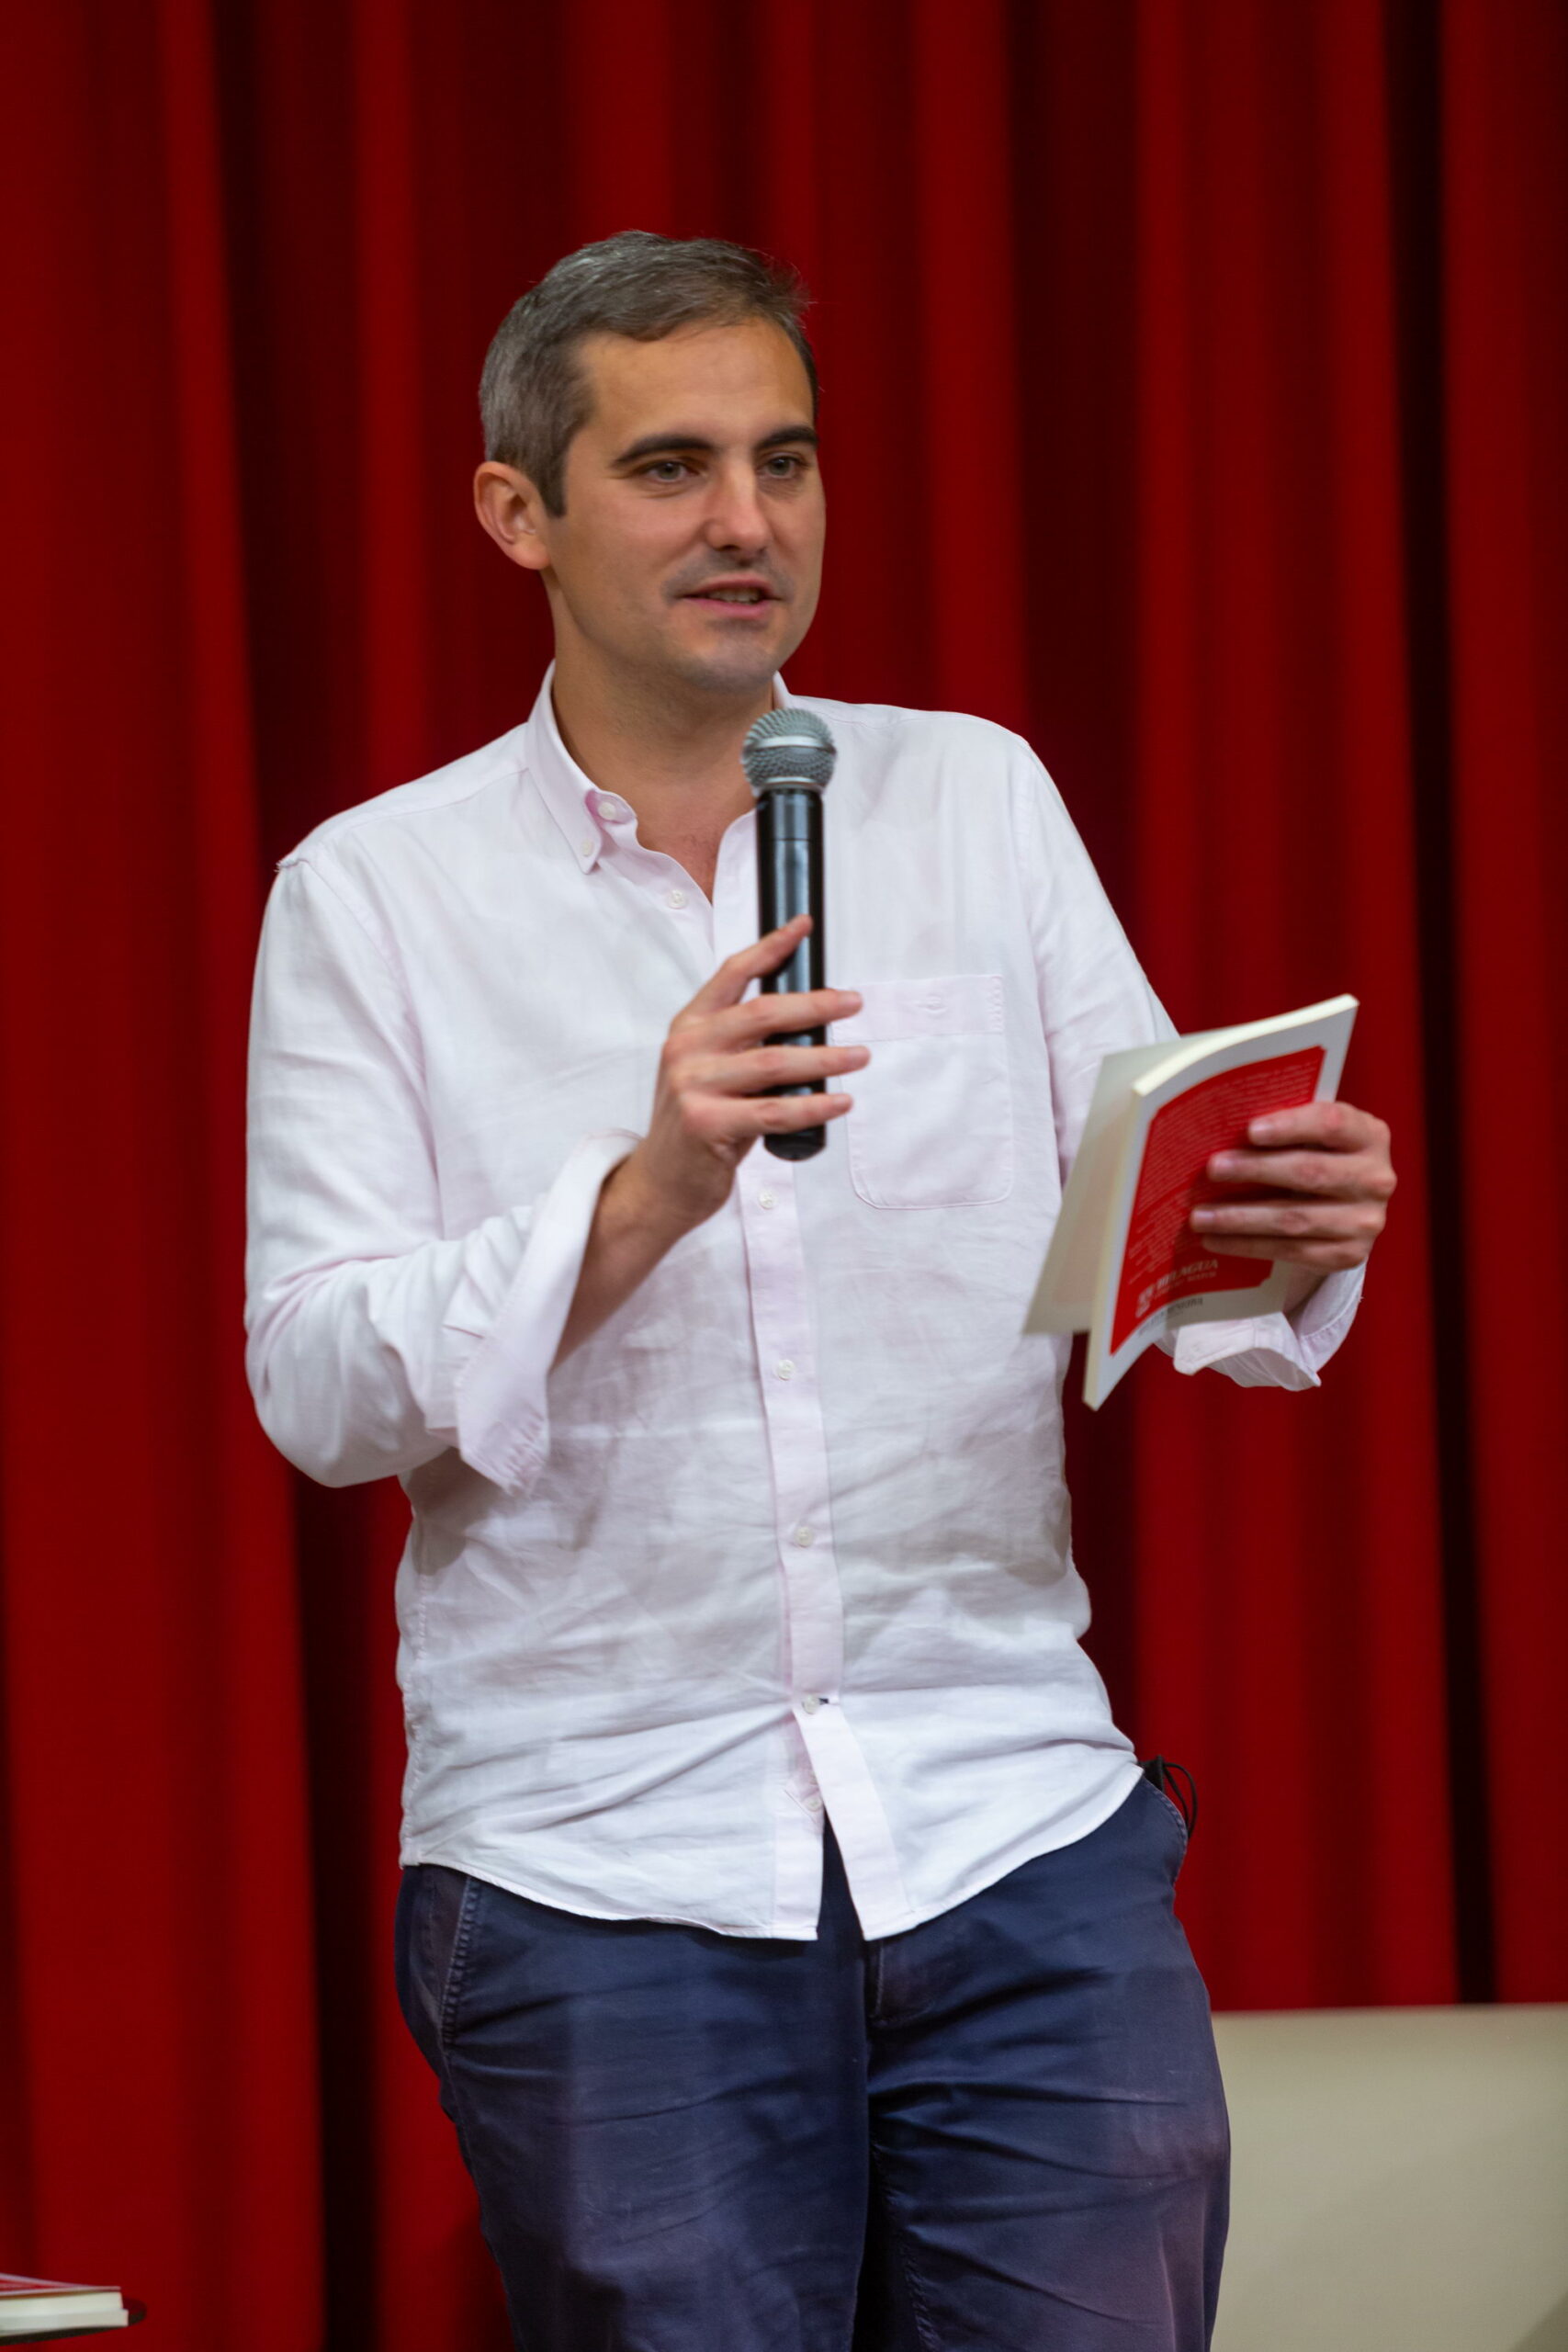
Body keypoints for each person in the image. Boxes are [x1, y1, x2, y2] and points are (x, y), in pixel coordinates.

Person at [244, 232, 1395, 2352]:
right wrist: (640, 1193)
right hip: (602, 1859)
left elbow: (1133, 1226)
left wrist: (1273, 1223)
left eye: (782, 459)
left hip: (1010, 1814)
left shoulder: (972, 795)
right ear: (517, 510)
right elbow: (316, 1383)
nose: (747, 521)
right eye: (668, 466)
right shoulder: (375, 891)